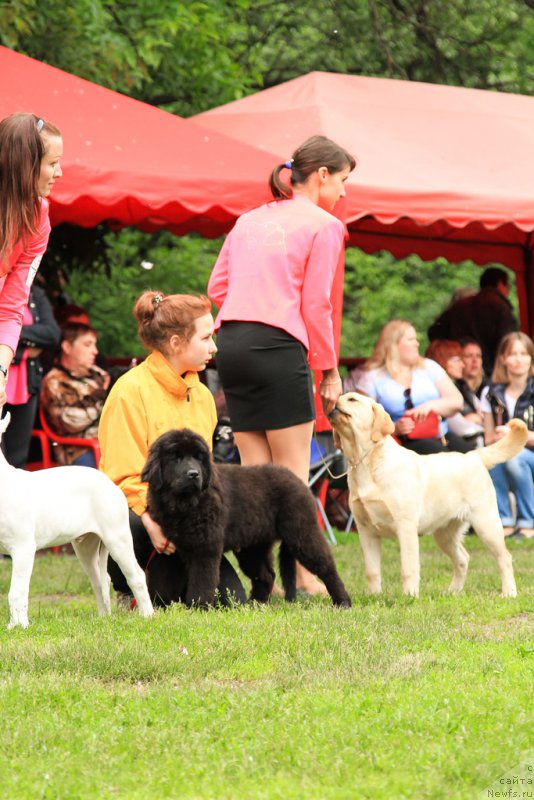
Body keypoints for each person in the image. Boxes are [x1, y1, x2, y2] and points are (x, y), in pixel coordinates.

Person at [207, 135, 356, 596]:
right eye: (344, 181)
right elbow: (317, 305)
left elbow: (217, 287)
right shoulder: (324, 225)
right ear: (323, 175)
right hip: (277, 346)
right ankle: (306, 578)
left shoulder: (248, 219)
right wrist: (328, 369)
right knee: (289, 479)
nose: (344, 194)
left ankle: (264, 582)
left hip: (230, 342)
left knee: (255, 479)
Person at [98, 290, 245, 606]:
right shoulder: (129, 392)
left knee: (232, 600)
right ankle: (130, 587)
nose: (214, 347)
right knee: (129, 520)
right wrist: (152, 525)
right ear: (177, 343)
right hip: (142, 519)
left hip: (186, 521)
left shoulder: (203, 395)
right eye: (206, 338)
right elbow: (119, 480)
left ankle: (173, 583)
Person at [0, 112, 63, 408]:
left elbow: (11, 308)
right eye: (52, 164)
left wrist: (0, 370)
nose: (59, 173)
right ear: (27, 166)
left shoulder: (39, 217)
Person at [355, 320, 463, 454]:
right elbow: (361, 421)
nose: (417, 343)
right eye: (411, 339)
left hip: (441, 434)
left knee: (470, 457)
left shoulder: (429, 367)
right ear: (393, 344)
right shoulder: (372, 378)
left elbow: (457, 401)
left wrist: (430, 406)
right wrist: (393, 428)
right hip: (400, 444)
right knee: (439, 456)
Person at [481, 332, 534, 539]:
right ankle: (504, 522)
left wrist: (516, 437)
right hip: (504, 453)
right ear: (503, 359)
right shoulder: (491, 393)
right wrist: (498, 438)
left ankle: (528, 522)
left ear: (531, 358)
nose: (519, 359)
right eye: (513, 354)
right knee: (491, 459)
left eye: (524, 354)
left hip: (527, 454)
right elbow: (487, 440)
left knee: (515, 458)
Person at [2, 284, 60, 467]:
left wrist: (10, 334)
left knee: (17, 458)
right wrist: (25, 352)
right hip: (4, 380)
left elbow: (52, 333)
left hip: (25, 384)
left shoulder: (34, 292)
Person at [39, 322, 110, 466]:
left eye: (94, 345)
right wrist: (103, 395)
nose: (95, 351)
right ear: (67, 347)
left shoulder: (97, 373)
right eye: (87, 344)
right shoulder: (54, 380)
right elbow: (72, 421)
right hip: (79, 450)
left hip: (109, 442)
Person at [427, 266, 517, 376]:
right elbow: (508, 344)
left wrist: (454, 353)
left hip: (461, 370)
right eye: (507, 286)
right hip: (491, 372)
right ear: (500, 284)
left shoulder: (461, 305)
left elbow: (434, 332)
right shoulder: (502, 309)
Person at [424, 339, 484, 451]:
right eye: (457, 360)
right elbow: (460, 427)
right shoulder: (436, 392)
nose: (462, 365)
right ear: (441, 361)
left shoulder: (462, 387)